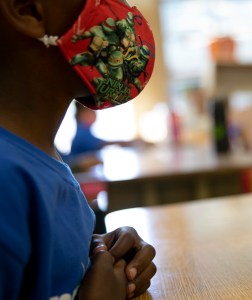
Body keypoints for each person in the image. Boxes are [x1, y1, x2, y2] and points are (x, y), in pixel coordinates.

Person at [0, 0, 156, 299]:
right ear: (27, 8)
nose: (121, 9)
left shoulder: (42, 157)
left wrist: (99, 252)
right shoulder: (6, 178)